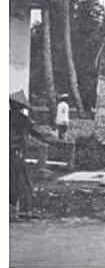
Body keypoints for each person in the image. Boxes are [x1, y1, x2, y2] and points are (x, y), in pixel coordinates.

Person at [10, 91, 57, 220]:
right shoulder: (22, 119)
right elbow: (38, 133)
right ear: (20, 107)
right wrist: (55, 140)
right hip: (16, 153)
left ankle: (14, 211)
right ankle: (24, 211)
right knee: (21, 181)